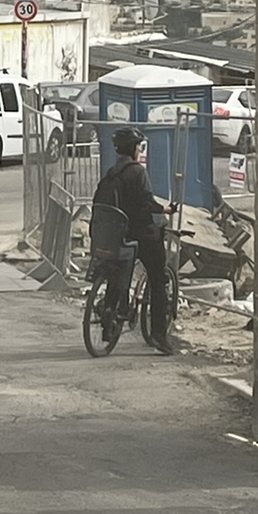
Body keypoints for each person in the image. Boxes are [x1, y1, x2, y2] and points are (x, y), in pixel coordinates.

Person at [95, 127, 173, 354]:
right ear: (133, 149)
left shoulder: (112, 174)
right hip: (142, 234)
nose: (140, 150)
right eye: (138, 146)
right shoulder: (138, 173)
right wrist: (166, 209)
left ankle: (110, 316)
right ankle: (159, 335)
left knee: (117, 274)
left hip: (118, 236)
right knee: (158, 279)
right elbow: (147, 202)